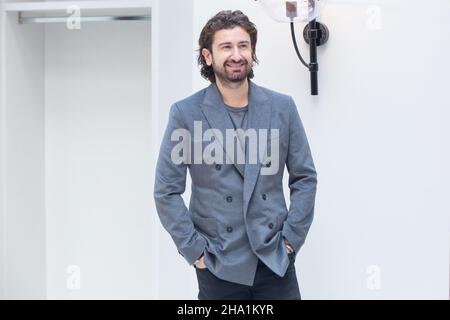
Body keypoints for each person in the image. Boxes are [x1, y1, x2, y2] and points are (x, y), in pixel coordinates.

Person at [154, 10, 317, 300]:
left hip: (274, 261)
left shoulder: (282, 108)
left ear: (252, 52)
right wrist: (196, 252)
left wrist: (291, 240)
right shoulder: (186, 114)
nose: (236, 54)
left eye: (243, 45)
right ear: (208, 56)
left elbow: (304, 178)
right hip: (219, 264)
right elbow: (166, 191)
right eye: (226, 46)